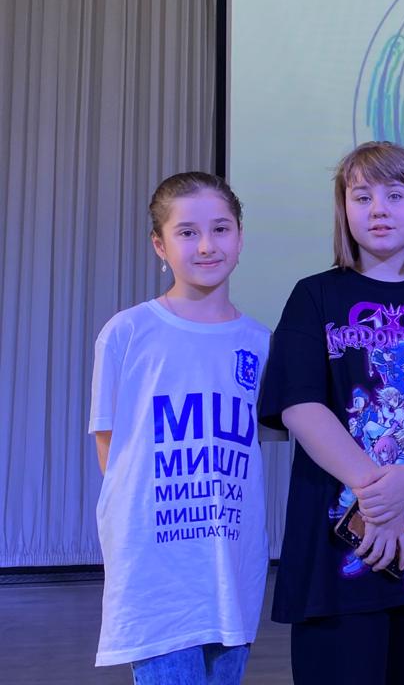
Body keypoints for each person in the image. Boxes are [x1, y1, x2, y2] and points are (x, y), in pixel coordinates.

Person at [258, 142, 404, 684]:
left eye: (395, 195)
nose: (379, 209)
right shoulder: (313, 296)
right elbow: (300, 406)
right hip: (339, 538)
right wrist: (378, 496)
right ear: (344, 210)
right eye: (362, 197)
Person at [89, 172, 269, 683]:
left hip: (231, 565)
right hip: (159, 575)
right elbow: (111, 450)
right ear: (159, 245)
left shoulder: (259, 342)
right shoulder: (128, 332)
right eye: (187, 232)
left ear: (240, 237)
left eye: (221, 229)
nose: (207, 245)